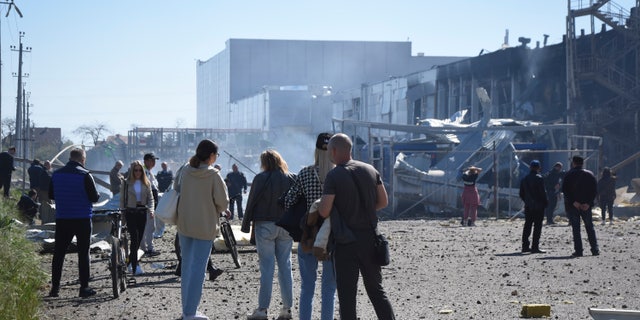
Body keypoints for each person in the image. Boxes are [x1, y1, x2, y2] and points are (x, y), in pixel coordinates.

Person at [317, 133, 395, 320]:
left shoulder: (334, 176)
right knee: (376, 291)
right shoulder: (370, 169)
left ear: (334, 150)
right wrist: (365, 209)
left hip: (346, 242)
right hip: (370, 238)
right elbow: (383, 201)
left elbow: (324, 211)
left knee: (347, 296)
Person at [283, 133, 336, 320]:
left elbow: (289, 201)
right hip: (333, 237)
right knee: (329, 288)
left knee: (307, 287)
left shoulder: (305, 173)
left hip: (309, 234)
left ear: (316, 150)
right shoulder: (339, 174)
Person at [176, 139, 229, 320]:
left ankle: (186, 310)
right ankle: (190, 312)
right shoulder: (214, 175)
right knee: (199, 269)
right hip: (204, 226)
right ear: (211, 156)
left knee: (187, 267)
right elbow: (222, 203)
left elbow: (177, 190)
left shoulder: (185, 171)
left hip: (184, 224)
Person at [242, 150, 294, 320]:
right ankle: (287, 309)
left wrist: (245, 225)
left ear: (264, 162)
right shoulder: (291, 177)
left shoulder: (260, 178)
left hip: (265, 225)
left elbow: (251, 202)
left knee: (267, 268)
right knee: (285, 267)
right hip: (286, 225)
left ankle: (262, 310)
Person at [48, 148, 100, 298]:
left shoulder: (56, 174)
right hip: (82, 218)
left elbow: (52, 194)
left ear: (70, 158)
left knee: (59, 253)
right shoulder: (85, 175)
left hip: (63, 218)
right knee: (83, 253)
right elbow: (94, 197)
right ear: (82, 159)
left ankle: (55, 288)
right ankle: (84, 288)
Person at [120, 160, 155, 275]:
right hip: (130, 212)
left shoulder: (146, 182)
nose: (138, 172)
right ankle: (134, 267)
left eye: (140, 170)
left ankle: (130, 261)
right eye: (136, 170)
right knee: (134, 238)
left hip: (142, 212)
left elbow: (151, 198)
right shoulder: (126, 183)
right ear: (132, 171)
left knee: (139, 239)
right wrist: (122, 215)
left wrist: (151, 210)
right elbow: (122, 200)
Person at [562, 155, 600, 257]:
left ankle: (579, 251)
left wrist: (574, 202)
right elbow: (594, 191)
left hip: (573, 206)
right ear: (582, 163)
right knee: (589, 227)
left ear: (573, 163)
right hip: (586, 206)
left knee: (576, 228)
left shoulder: (569, 174)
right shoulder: (590, 174)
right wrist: (588, 203)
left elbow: (565, 190)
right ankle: (595, 249)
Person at [519, 160, 548, 254]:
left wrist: (527, 201)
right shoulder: (539, 178)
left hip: (528, 206)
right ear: (538, 168)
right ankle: (535, 247)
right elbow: (542, 193)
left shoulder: (524, 179)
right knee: (537, 226)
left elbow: (521, 193)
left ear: (530, 167)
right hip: (539, 206)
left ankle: (525, 246)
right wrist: (545, 203)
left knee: (527, 225)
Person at [141, 153, 162, 250]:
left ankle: (146, 247)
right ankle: (148, 248)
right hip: (147, 205)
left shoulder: (149, 172)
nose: (154, 163)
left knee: (149, 227)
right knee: (148, 227)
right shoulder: (143, 172)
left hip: (150, 204)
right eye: (152, 160)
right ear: (146, 161)